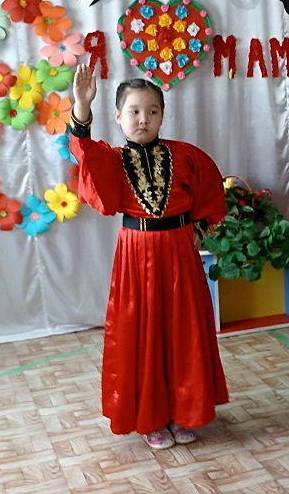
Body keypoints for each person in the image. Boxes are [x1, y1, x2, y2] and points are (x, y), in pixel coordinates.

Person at [69, 65, 229, 449]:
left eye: (153, 111)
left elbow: (211, 195)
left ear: (162, 115)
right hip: (136, 256)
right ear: (118, 116)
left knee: (182, 331)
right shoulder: (112, 158)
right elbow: (84, 155)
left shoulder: (185, 154)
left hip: (180, 253)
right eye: (135, 111)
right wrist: (80, 107)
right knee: (142, 334)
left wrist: (200, 231)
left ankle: (182, 412)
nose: (144, 119)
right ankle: (151, 418)